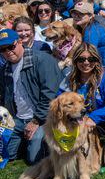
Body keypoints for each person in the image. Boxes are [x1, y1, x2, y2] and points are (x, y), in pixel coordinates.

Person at [58, 43, 105, 169]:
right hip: (78, 121)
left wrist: (94, 117)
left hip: (104, 121)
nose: (86, 63)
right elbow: (59, 101)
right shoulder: (69, 79)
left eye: (91, 59)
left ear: (97, 60)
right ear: (75, 61)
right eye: (81, 59)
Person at [0, 29, 64, 164]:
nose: (8, 52)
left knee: (33, 159)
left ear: (19, 42)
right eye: (3, 49)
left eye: (11, 47)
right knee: (7, 154)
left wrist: (36, 121)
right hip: (17, 119)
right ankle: (27, 141)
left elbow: (50, 95)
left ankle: (41, 142)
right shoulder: (4, 69)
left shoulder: (42, 60)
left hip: (44, 118)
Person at [70, 0, 105, 86]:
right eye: (74, 13)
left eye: (81, 14)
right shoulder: (90, 27)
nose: (76, 16)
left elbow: (87, 57)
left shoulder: (91, 31)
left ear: (91, 16)